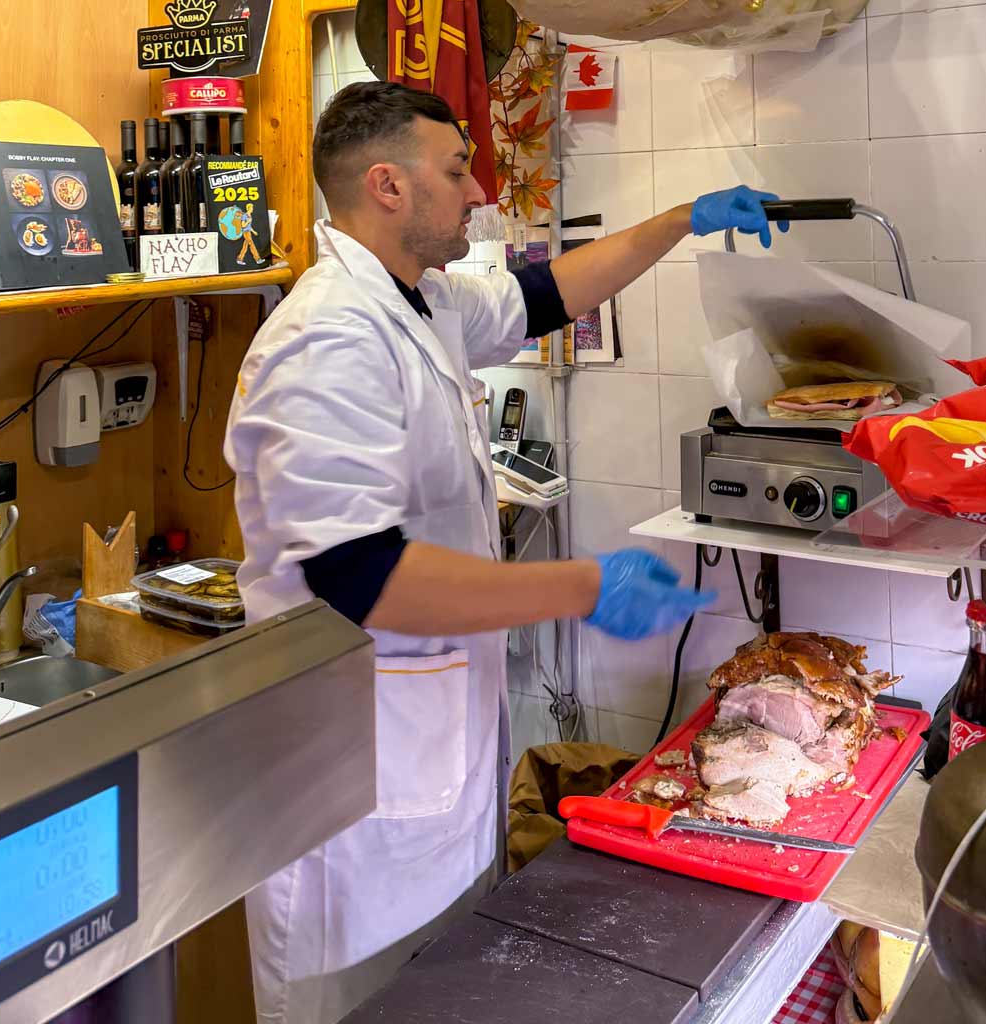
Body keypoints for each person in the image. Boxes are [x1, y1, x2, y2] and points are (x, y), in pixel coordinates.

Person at [224, 81, 787, 1024]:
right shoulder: (327, 338)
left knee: (447, 991)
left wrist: (681, 220)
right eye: (455, 169)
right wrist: (582, 586)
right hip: (350, 800)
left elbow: (549, 292)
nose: (480, 189)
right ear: (388, 187)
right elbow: (363, 576)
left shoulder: (422, 302)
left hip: (430, 760)